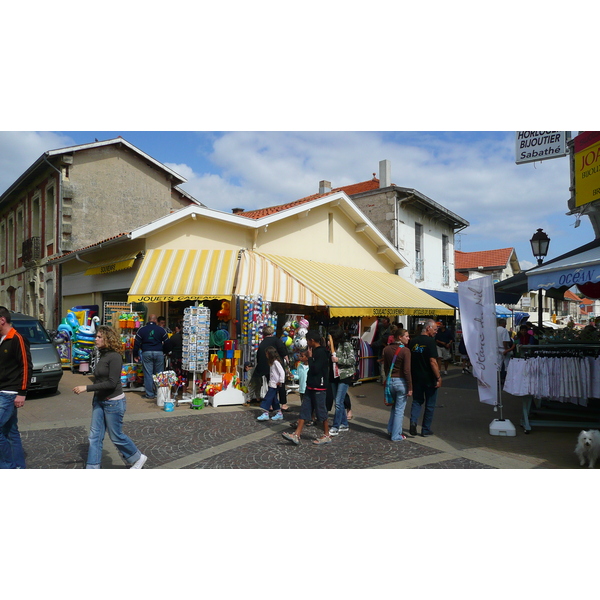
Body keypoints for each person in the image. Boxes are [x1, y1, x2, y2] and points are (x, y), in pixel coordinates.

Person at [73, 325, 147, 469]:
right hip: (99, 401)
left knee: (116, 436)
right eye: (96, 336)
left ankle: (137, 457)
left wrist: (86, 388)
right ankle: (92, 467)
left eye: (99, 337)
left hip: (113, 402)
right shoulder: (102, 354)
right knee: (94, 436)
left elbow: (112, 383)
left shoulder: (115, 357)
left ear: (108, 339)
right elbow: (100, 379)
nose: (96, 339)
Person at [282, 330, 331, 445]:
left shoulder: (321, 352)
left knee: (321, 411)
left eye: (308, 341)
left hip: (319, 386)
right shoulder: (315, 351)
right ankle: (296, 434)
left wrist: (309, 358)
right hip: (311, 386)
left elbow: (315, 369)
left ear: (312, 341)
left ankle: (326, 434)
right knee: (304, 410)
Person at [0, 306, 32, 469]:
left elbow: (26, 366)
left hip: (9, 393)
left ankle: (7, 466)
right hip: (2, 391)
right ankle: (19, 466)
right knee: (11, 432)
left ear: (2, 320)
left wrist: (22, 393)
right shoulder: (1, 338)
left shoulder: (17, 338)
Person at [408, 319, 442, 437]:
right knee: (430, 404)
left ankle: (413, 422)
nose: (436, 332)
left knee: (417, 401)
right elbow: (433, 361)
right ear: (428, 328)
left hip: (416, 377)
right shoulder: (430, 342)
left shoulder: (413, 341)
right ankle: (425, 429)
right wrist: (438, 377)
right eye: (435, 329)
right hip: (429, 378)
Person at [383, 327, 412, 441]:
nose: (409, 338)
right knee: (400, 410)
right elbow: (406, 370)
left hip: (390, 381)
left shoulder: (386, 349)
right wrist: (410, 387)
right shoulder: (405, 351)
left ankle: (391, 430)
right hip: (401, 382)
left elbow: (385, 367)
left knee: (394, 408)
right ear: (400, 337)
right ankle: (396, 435)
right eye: (407, 336)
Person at [251, 325, 289, 409]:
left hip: (267, 367)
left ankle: (272, 404)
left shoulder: (262, 343)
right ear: (272, 332)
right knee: (281, 386)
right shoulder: (276, 340)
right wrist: (286, 357)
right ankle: (283, 404)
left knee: (271, 386)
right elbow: (282, 349)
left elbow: (259, 356)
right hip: (277, 366)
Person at [328, 326, 356, 436]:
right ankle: (344, 423)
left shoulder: (346, 345)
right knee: (337, 400)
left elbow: (352, 360)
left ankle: (336, 426)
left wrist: (339, 360)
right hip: (334, 375)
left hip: (344, 375)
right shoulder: (331, 346)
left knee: (339, 402)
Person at [133, 314, 169, 400]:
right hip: (159, 352)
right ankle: (158, 393)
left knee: (148, 374)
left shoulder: (141, 330)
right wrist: (165, 351)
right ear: (156, 320)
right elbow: (167, 342)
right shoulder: (161, 330)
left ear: (148, 320)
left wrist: (135, 354)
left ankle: (150, 394)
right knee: (159, 374)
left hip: (146, 352)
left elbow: (136, 343)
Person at [256, 346, 286, 421]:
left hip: (275, 384)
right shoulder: (272, 362)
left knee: (268, 398)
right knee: (274, 399)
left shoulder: (276, 362)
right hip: (272, 383)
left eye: (267, 354)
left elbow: (282, 372)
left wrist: (281, 381)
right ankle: (279, 413)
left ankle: (265, 412)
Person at [163, 321, 187, 398]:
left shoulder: (173, 337)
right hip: (184, 358)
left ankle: (175, 391)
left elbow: (168, 348)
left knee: (174, 375)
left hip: (175, 358)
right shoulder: (186, 337)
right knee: (184, 375)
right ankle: (184, 392)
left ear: (177, 328)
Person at [496, 318, 515, 384]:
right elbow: (505, 341)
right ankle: (506, 379)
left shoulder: (494, 330)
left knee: (498, 365)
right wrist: (506, 349)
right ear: (503, 323)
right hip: (503, 348)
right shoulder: (504, 330)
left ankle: (498, 379)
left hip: (496, 349)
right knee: (506, 365)